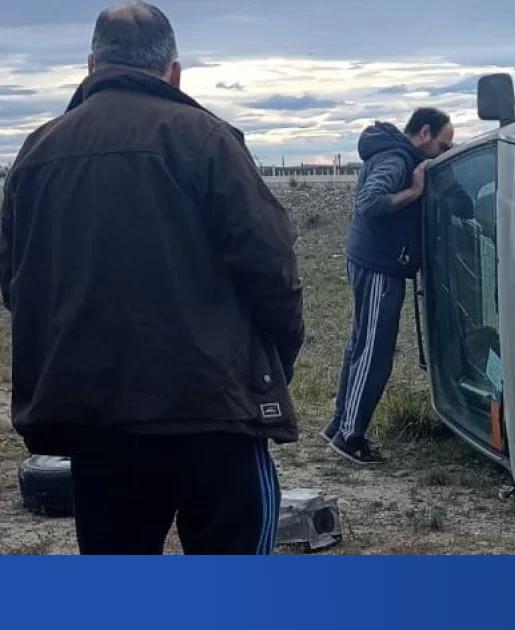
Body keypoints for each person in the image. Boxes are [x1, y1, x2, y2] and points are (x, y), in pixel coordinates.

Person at [0, 2, 305, 555]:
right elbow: (273, 268)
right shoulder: (206, 139)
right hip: (211, 412)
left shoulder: (35, 153)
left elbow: (14, 282)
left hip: (97, 418)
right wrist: (272, 365)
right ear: (174, 72)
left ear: (91, 66)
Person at [322, 110, 454, 464]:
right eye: (443, 144)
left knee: (361, 344)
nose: (444, 151)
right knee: (375, 351)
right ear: (424, 132)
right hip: (379, 264)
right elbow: (370, 202)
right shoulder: (398, 159)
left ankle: (340, 423)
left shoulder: (393, 153)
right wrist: (414, 190)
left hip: (369, 258)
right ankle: (350, 436)